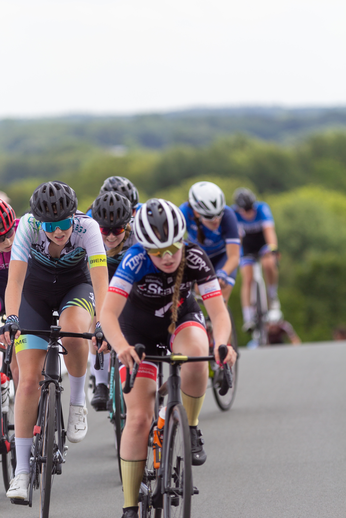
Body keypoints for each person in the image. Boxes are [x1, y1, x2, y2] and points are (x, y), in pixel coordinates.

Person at [100, 198, 237, 518]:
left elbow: (217, 312)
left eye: (173, 248)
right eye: (158, 251)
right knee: (138, 418)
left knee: (198, 353)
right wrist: (121, 347)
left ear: (182, 241)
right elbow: (108, 315)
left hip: (180, 320)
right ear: (145, 248)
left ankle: (190, 425)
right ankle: (130, 504)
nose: (168, 257)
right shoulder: (134, 260)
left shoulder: (195, 257)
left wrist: (222, 344)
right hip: (137, 332)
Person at [1, 181, 108, 501]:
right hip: (34, 293)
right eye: (52, 226)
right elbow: (16, 281)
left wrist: (102, 323)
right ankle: (21, 472)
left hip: (75, 288)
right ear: (38, 220)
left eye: (64, 224)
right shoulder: (28, 227)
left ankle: (77, 403)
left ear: (72, 217)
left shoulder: (88, 227)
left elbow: (101, 283)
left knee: (75, 332)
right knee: (28, 380)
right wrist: (11, 318)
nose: (59, 232)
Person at [89, 191, 133, 411]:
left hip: (127, 278)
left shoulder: (137, 239)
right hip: (101, 276)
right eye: (105, 230)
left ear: (127, 226)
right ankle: (101, 384)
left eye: (117, 230)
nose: (111, 236)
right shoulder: (89, 237)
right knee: (94, 318)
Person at [180, 181, 240, 305]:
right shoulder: (184, 212)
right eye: (210, 216)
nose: (216, 220)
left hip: (222, 256)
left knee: (222, 289)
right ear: (197, 213)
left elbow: (234, 257)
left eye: (219, 214)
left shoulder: (228, 216)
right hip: (198, 254)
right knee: (198, 289)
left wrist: (223, 273)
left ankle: (220, 321)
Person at [232, 187, 281, 332]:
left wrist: (272, 249)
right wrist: (236, 255)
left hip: (262, 243)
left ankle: (272, 295)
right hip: (246, 246)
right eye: (245, 210)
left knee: (268, 264)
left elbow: (269, 231)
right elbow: (236, 238)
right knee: (247, 278)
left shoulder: (262, 208)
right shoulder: (233, 213)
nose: (248, 212)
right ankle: (248, 317)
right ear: (238, 208)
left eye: (250, 208)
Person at [0, 199, 20, 412]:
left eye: (10, 232)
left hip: (22, 290)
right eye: (1, 238)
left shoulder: (23, 230)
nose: (7, 241)